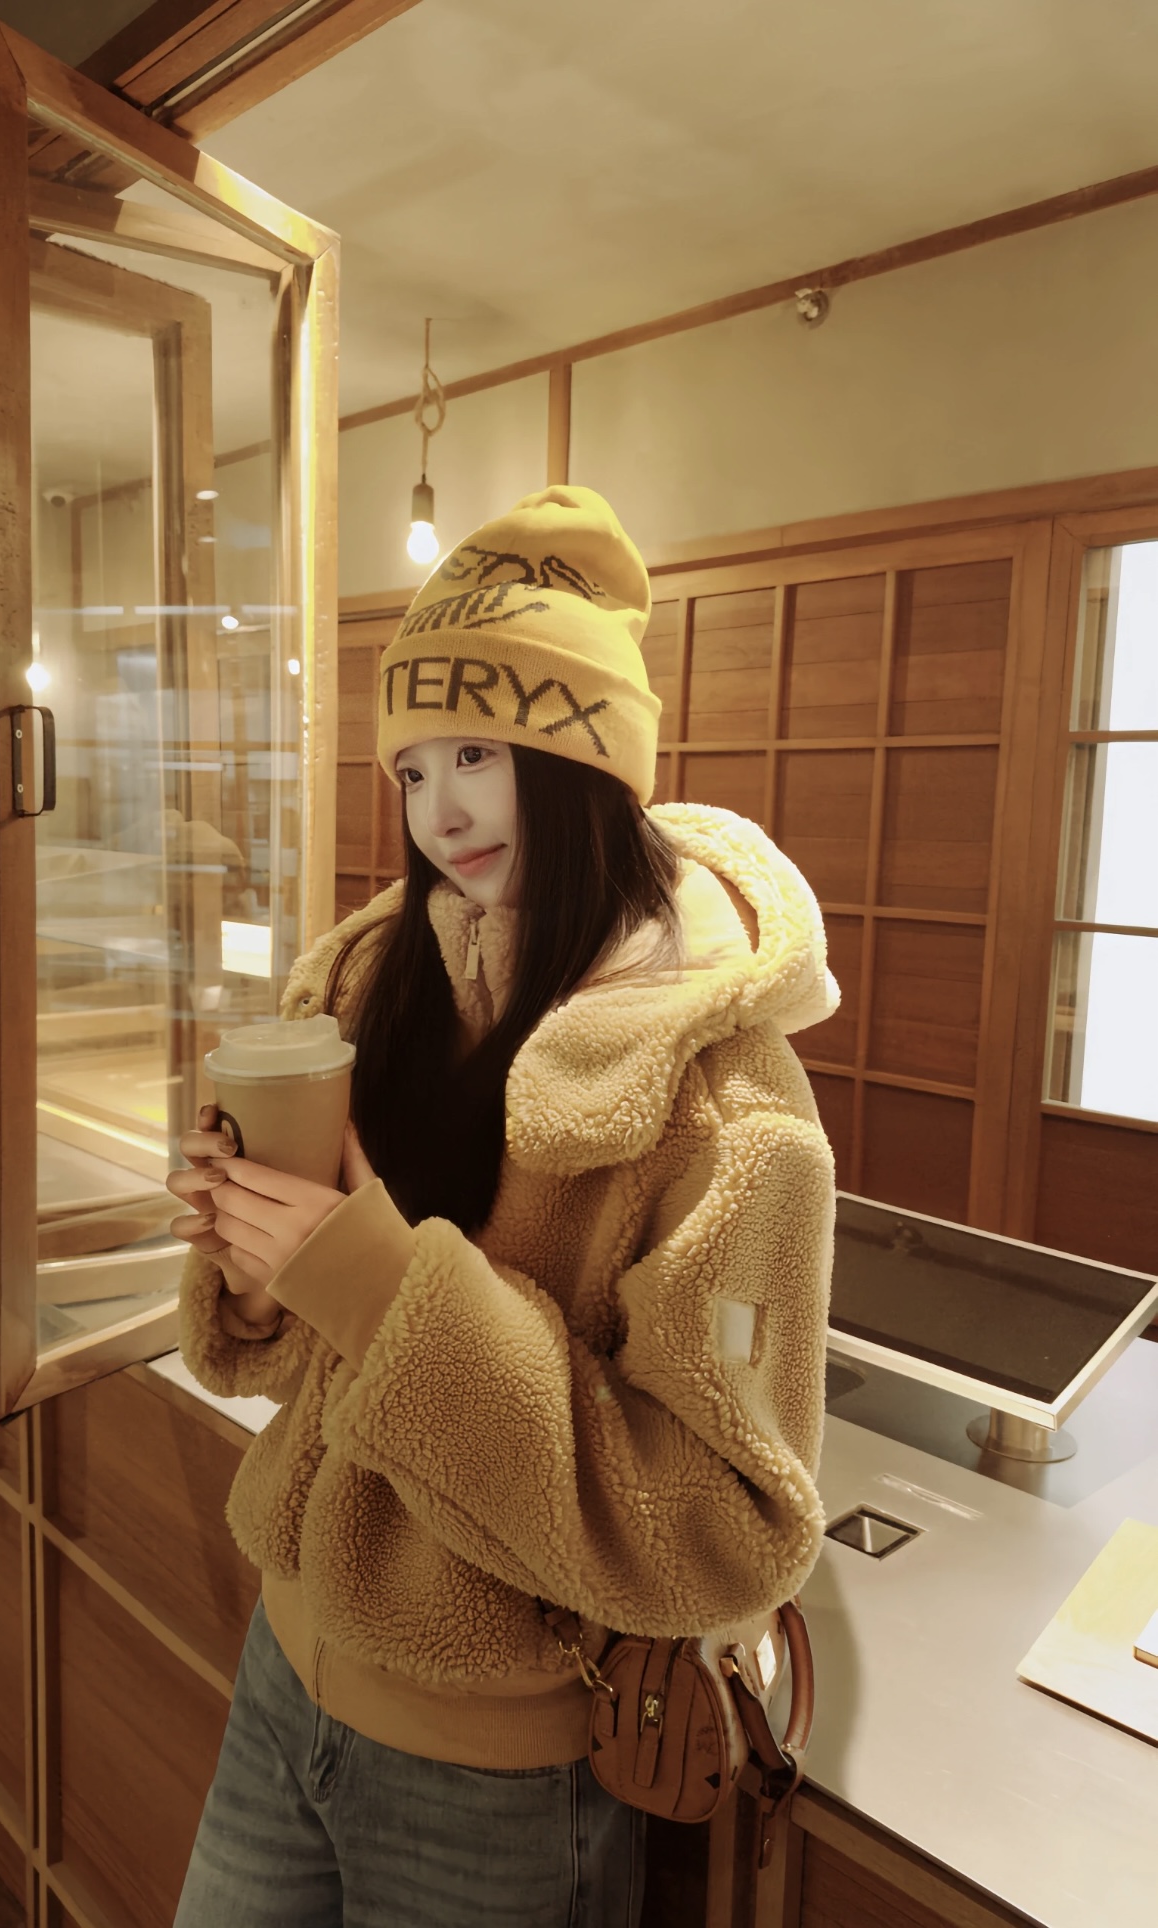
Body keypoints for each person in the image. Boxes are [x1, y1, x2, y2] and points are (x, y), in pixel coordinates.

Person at [168, 486, 838, 1928]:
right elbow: (298, 1370)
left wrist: (368, 1279)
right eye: (412, 768)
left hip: (494, 1778)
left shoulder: (728, 1105)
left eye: (476, 753)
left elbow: (721, 1532)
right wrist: (259, 1263)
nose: (440, 812)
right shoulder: (375, 990)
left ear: (587, 761)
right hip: (283, 1669)